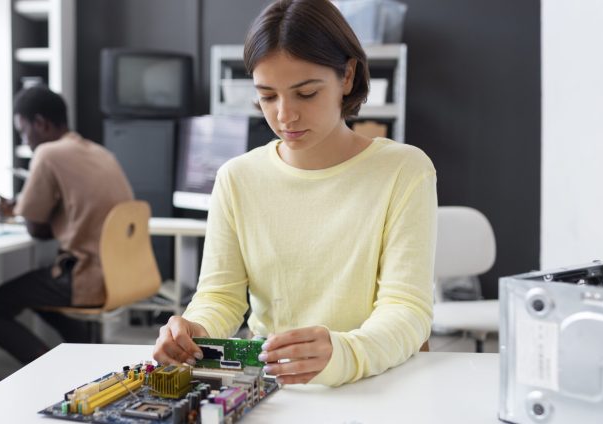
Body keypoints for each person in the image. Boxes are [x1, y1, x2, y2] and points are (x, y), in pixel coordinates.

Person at [153, 0, 437, 387]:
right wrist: (194, 331)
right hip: (272, 387)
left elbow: (407, 309)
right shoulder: (237, 178)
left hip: (376, 384)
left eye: (305, 94)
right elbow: (221, 296)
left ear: (348, 76)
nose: (285, 115)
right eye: (268, 96)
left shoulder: (403, 170)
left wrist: (346, 353)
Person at [0, 85, 134, 364]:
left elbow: (36, 229)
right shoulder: (99, 152)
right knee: (36, 293)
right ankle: (82, 355)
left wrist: (21, 211)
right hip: (121, 272)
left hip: (88, 277)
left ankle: (47, 368)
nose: (26, 141)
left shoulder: (48, 153)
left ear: (41, 124)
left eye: (24, 132)